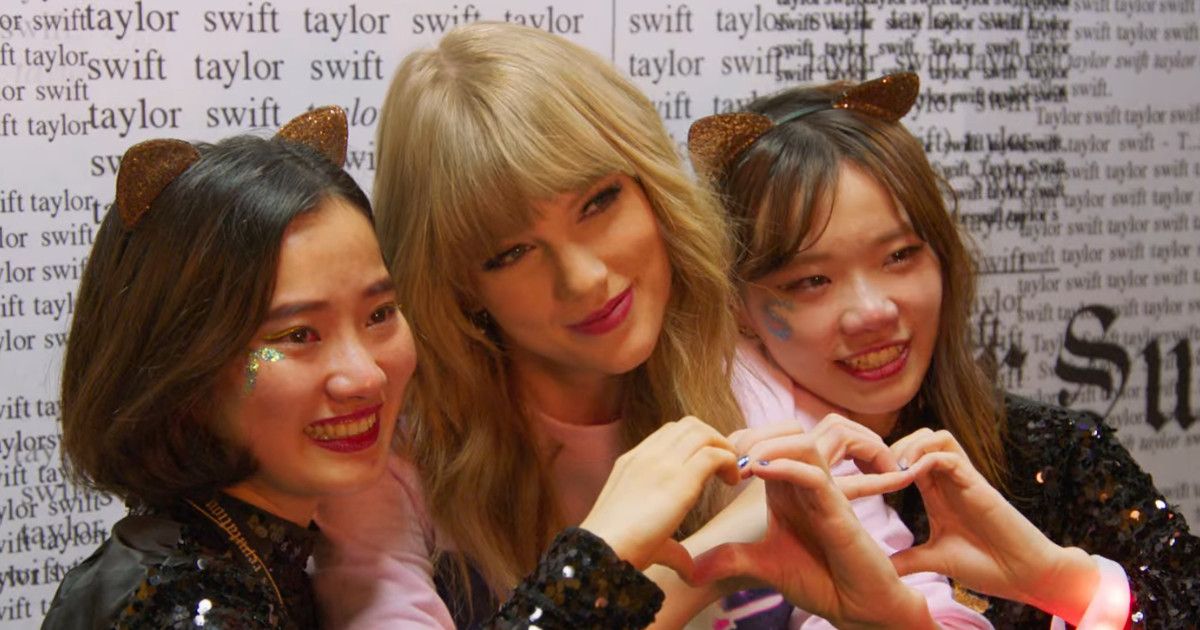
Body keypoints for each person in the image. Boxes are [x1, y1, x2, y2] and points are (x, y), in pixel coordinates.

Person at [316, 23, 988, 630]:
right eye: (510, 252)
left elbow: (938, 612)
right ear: (460, 286)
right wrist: (681, 568)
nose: (584, 278)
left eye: (599, 201)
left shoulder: (751, 380)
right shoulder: (401, 461)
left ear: (654, 190)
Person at [41, 107, 742, 629]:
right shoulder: (172, 599)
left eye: (379, 315)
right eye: (297, 335)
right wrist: (596, 556)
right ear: (183, 369)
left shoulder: (259, 552)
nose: (365, 376)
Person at [689, 72, 1200, 628]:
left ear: (943, 256)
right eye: (811, 281)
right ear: (738, 305)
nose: (873, 312)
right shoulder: (707, 470)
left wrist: (1058, 580)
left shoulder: (1056, 455)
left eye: (899, 256)